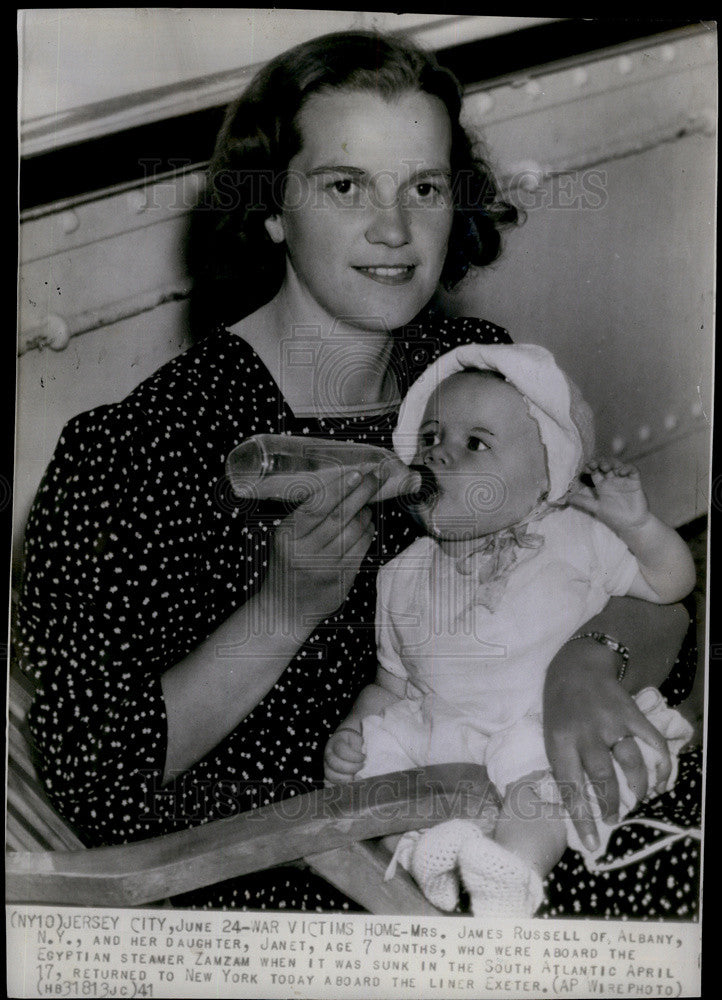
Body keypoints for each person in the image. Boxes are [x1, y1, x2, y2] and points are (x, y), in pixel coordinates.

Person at [14, 30, 701, 915]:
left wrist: (584, 666)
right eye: (346, 186)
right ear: (271, 208)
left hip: (526, 777)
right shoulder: (136, 452)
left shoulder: (473, 373)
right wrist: (284, 607)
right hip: (321, 872)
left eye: (424, 187)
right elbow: (98, 782)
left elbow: (653, 598)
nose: (394, 229)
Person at [323, 343, 698, 917]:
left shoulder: (576, 536)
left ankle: (509, 878)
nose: (439, 457)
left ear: (547, 473)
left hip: (546, 729)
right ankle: (425, 853)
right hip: (449, 744)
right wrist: (355, 732)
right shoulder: (401, 576)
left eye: (475, 444)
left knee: (539, 783)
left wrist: (639, 525)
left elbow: (671, 583)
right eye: (429, 439)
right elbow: (393, 687)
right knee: (380, 766)